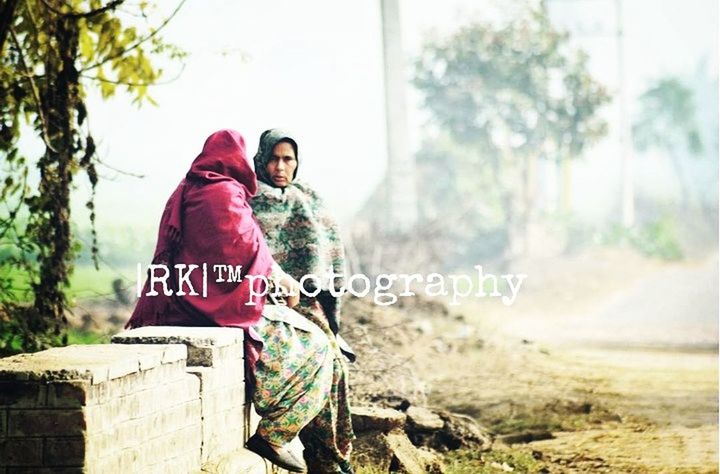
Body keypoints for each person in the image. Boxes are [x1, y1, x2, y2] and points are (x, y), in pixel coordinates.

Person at [126, 129, 326, 473]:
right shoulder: (224, 194)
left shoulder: (188, 189)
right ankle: (274, 435)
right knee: (315, 345)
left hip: (181, 303)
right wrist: (277, 277)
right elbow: (244, 248)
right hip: (211, 309)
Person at [250, 129, 355, 474]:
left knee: (336, 364)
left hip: (308, 302)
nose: (280, 166)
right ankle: (322, 456)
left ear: (297, 163)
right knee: (311, 357)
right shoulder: (247, 199)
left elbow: (331, 256)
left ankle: (333, 456)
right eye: (273, 158)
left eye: (288, 159)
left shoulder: (307, 198)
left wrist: (328, 309)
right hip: (264, 302)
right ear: (261, 159)